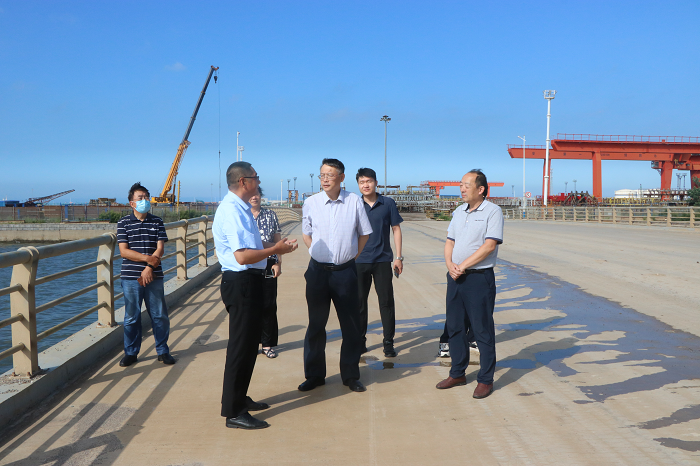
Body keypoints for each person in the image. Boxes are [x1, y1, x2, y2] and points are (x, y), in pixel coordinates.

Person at [213, 161, 298, 430]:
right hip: (241, 282)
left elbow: (253, 244)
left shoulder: (240, 208)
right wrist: (275, 251)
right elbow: (242, 256)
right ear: (243, 182)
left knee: (249, 345)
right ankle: (234, 412)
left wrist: (275, 246)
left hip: (249, 281)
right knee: (241, 347)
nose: (258, 182)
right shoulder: (232, 211)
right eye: (255, 177)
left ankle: (239, 398)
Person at [299, 158, 373, 393]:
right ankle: (314, 375)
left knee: (350, 325)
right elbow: (307, 233)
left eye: (330, 175)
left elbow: (364, 234)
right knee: (316, 324)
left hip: (345, 273)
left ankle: (350, 375)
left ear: (341, 177)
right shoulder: (311, 202)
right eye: (322, 175)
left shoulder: (354, 201)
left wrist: (351, 256)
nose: (325, 179)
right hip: (317, 273)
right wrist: (315, 252)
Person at [436, 169, 503, 399]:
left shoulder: (492, 211)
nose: (462, 188)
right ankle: (457, 373)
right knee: (455, 327)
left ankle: (485, 379)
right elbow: (449, 241)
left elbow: (489, 246)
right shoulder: (458, 211)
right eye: (461, 184)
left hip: (478, 279)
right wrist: (450, 265)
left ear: (481, 189)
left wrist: (462, 265)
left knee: (482, 329)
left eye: (466, 185)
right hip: (455, 277)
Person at [117, 182, 174, 367]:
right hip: (130, 277)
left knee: (159, 315)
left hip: (154, 274)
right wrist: (147, 259)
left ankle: (163, 350)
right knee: (131, 317)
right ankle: (131, 352)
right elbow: (124, 251)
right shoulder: (123, 223)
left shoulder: (157, 222)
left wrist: (149, 267)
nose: (144, 200)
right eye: (140, 198)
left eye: (146, 197)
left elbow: (160, 248)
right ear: (132, 203)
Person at [355, 167, 403, 358]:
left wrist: (398, 257)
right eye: (361, 182)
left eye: (368, 181)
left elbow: (396, 229)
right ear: (358, 185)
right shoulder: (355, 204)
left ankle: (388, 342)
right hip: (359, 261)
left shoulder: (387, 203)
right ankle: (360, 341)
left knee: (386, 302)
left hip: (383, 260)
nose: (365, 185)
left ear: (376, 183)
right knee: (359, 303)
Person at [249, 187, 282, 359]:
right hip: (248, 264)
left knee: (269, 305)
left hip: (268, 263)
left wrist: (278, 262)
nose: (254, 197)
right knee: (250, 306)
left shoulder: (270, 215)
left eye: (257, 194)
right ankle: (252, 343)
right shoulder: (242, 215)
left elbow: (277, 242)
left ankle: (267, 344)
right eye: (251, 194)